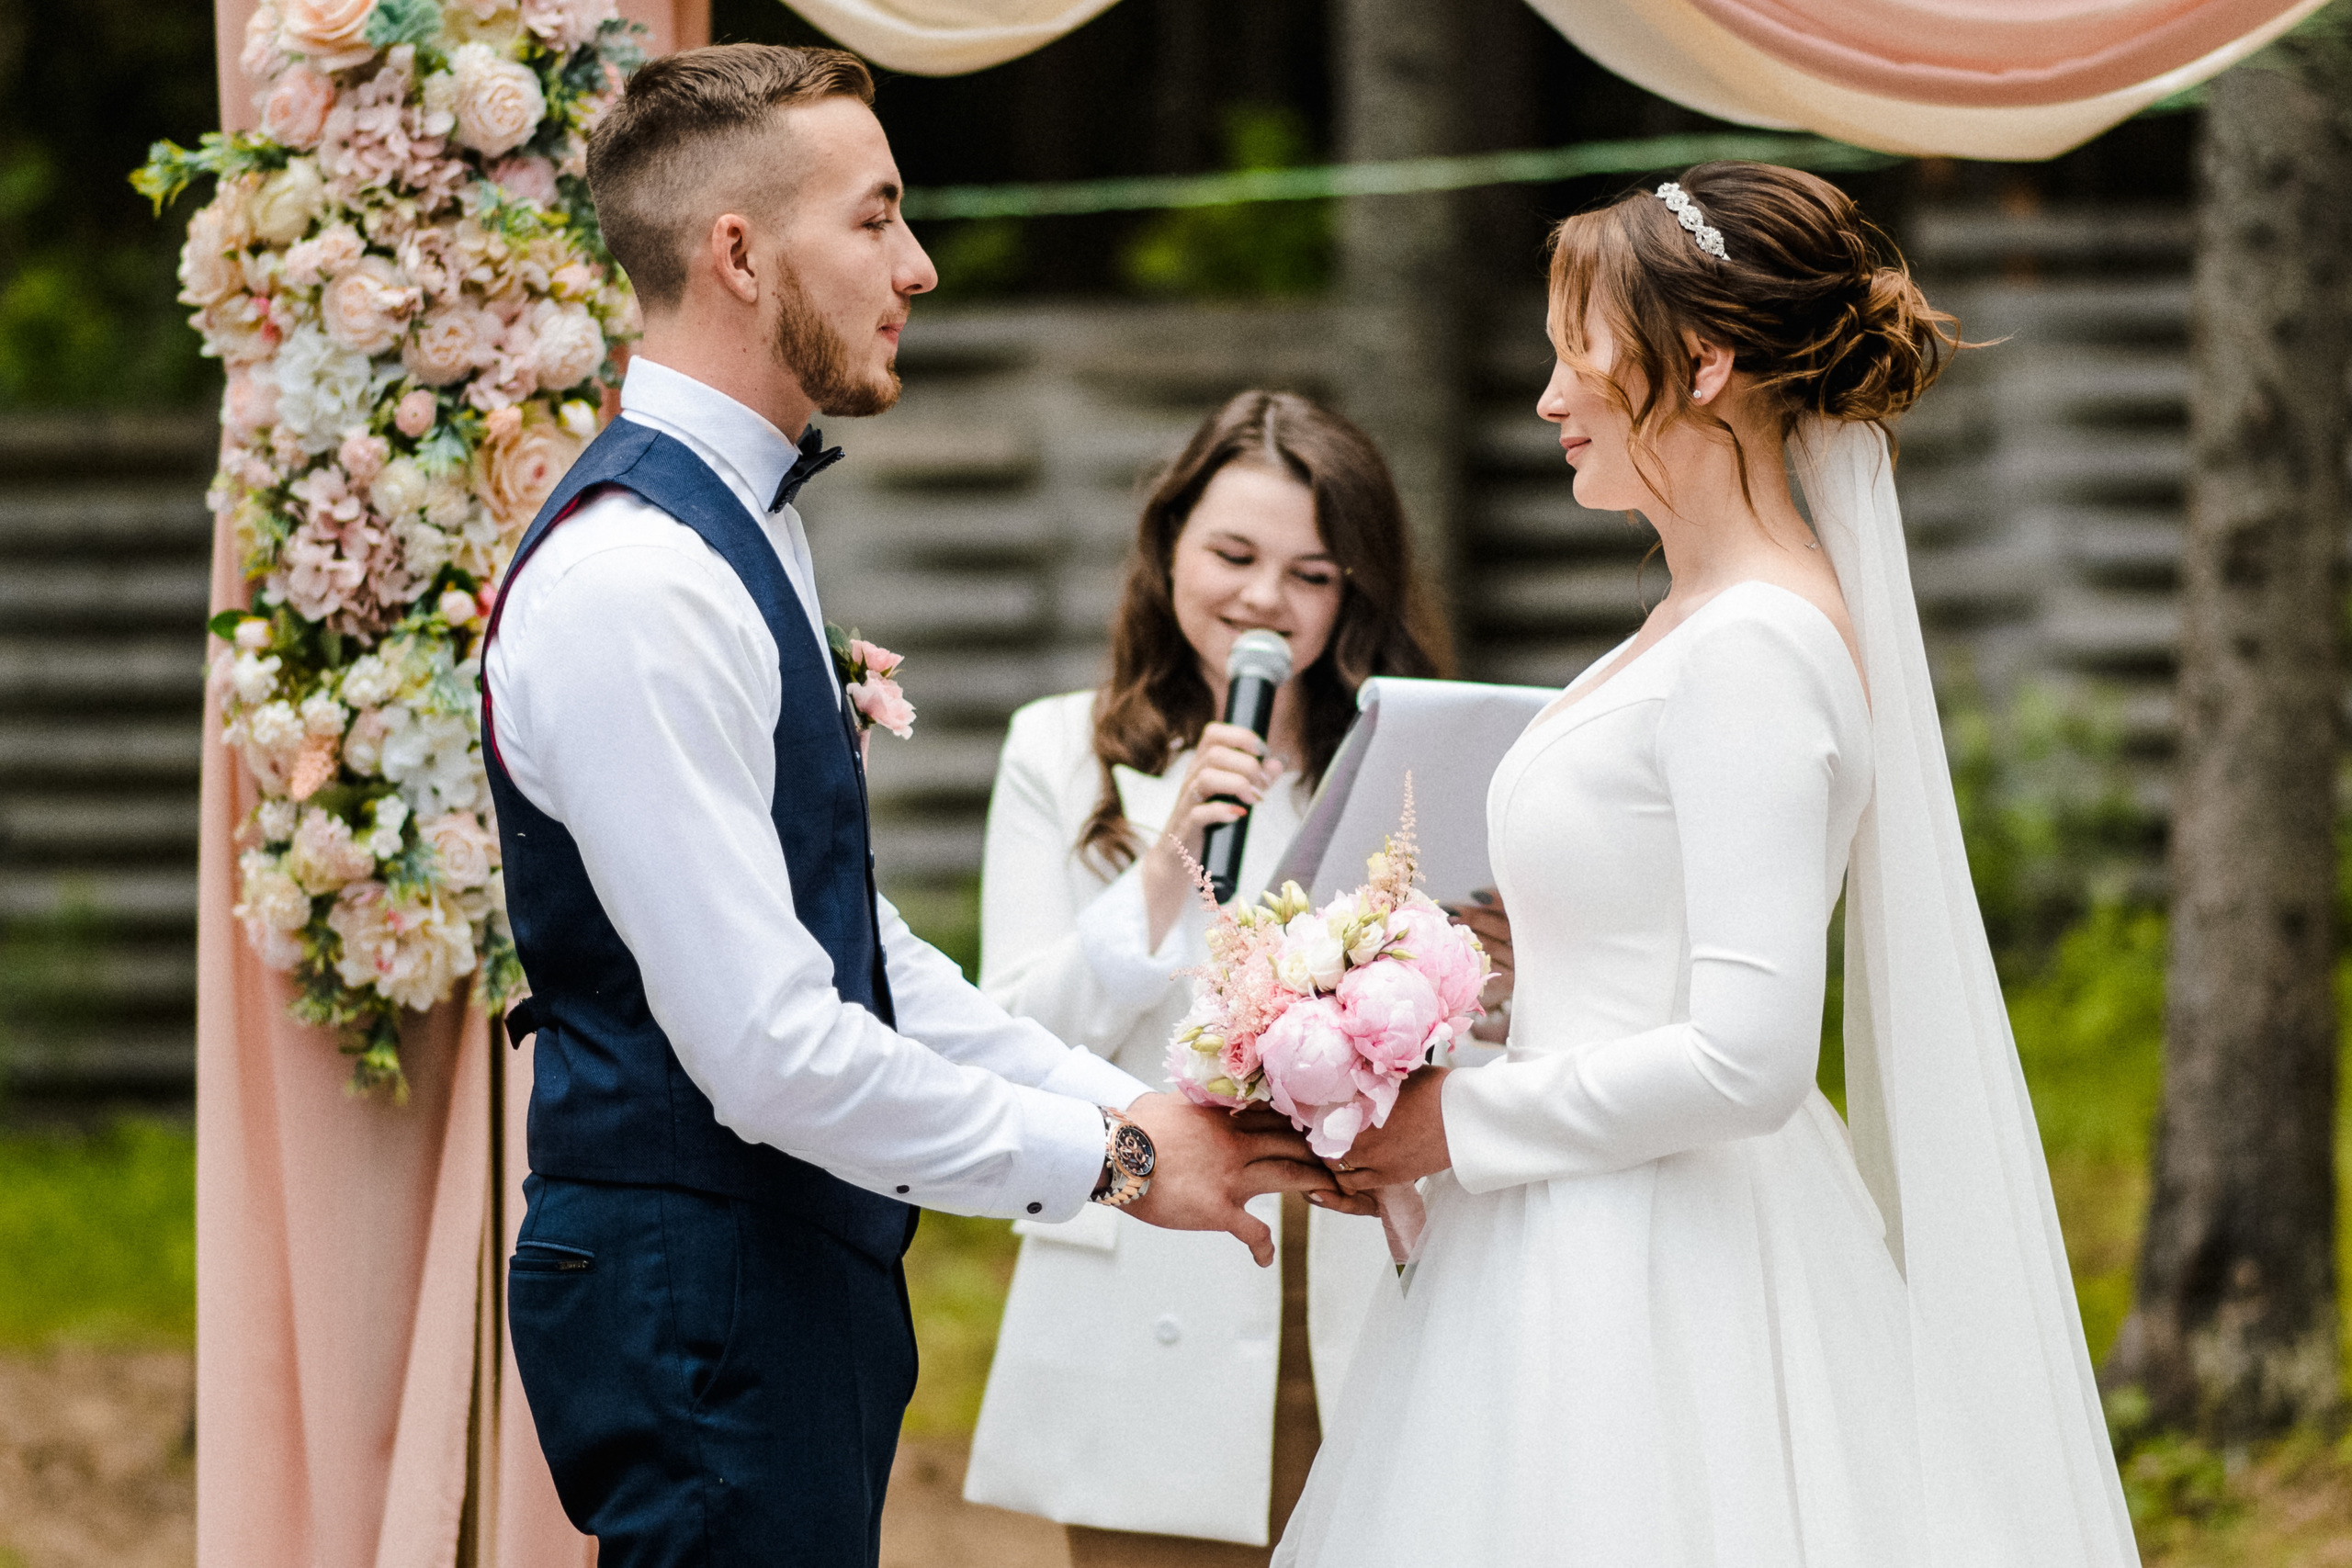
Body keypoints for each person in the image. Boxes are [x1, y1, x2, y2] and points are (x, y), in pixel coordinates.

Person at [479, 45, 1339, 1567]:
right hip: (703, 1290)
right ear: (739, 255)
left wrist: (1113, 1102)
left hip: (771, 1277)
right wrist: (1119, 1164)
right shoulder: (640, 583)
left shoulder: (737, 533)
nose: (920, 266)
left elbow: (847, 945)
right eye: (876, 220)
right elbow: (767, 1052)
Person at [1274, 164, 2139, 1566]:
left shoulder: (1756, 648)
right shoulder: (1692, 620)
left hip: (1666, 1265)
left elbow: (1748, 1054)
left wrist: (1453, 1121)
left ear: (1708, 362)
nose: (1550, 398)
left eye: (1579, 355)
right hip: (1570, 1221)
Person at [961, 391, 1455, 1566]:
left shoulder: (1408, 764)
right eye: (1232, 555)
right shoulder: (1059, 748)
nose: (1262, 603)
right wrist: (1164, 868)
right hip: (1154, 1276)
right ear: (1169, 543)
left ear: (1357, 594)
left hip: (1362, 1280)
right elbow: (1011, 1032)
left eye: (1311, 574)